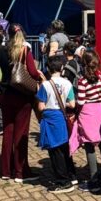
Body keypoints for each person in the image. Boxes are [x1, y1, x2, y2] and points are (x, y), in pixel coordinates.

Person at [0, 24, 43, 181]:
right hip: (22, 96)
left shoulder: (1, 51)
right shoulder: (25, 51)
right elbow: (32, 71)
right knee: (21, 134)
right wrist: (40, 77)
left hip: (5, 95)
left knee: (8, 132)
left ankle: (5, 171)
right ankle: (20, 171)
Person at [36, 56, 77, 193]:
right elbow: (72, 104)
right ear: (62, 69)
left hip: (50, 118)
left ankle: (63, 181)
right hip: (61, 116)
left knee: (55, 151)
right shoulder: (67, 84)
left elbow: (41, 107)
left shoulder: (45, 85)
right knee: (64, 147)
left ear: (48, 69)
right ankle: (71, 175)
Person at [74, 50, 101, 191]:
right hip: (99, 109)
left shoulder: (82, 81)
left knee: (89, 144)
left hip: (87, 111)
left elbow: (81, 100)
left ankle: (94, 180)